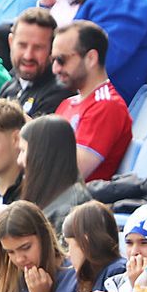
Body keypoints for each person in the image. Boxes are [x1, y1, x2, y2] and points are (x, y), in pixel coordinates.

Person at [49, 22, 131, 183]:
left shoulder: (106, 105)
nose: (55, 69)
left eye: (61, 59)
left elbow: (69, 175)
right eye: (53, 60)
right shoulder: (67, 104)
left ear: (91, 58)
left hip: (77, 204)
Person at [15, 121, 89, 236]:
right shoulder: (48, 195)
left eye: (23, 151)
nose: (19, 160)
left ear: (43, 154)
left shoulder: (70, 209)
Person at [0, 10, 63, 118]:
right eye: (22, 45)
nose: (28, 56)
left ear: (52, 49)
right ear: (11, 42)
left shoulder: (59, 93)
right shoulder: (9, 87)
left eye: (38, 47)